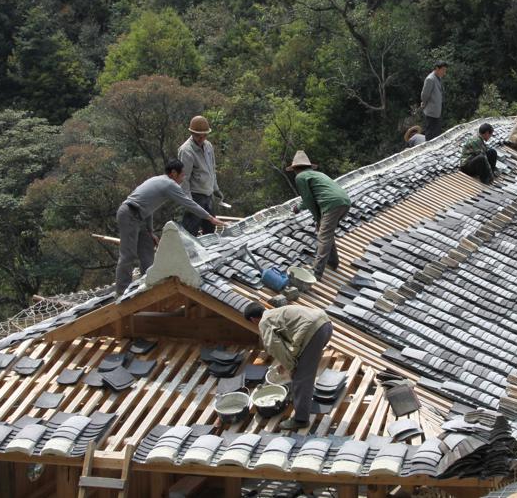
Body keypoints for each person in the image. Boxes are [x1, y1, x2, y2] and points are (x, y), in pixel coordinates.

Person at [115, 159, 225, 296]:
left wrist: (150, 232)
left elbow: (148, 208)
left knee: (147, 251)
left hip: (140, 216)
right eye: (182, 174)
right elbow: (188, 203)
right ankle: (121, 292)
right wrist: (210, 217)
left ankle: (148, 284)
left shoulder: (159, 180)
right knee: (128, 255)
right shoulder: (169, 184)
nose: (183, 178)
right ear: (173, 173)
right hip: (129, 214)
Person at [244, 302, 333, 431]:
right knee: (303, 366)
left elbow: (275, 346)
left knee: (301, 377)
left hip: (313, 331)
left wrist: (291, 368)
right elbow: (293, 344)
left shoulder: (264, 322)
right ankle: (302, 399)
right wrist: (285, 363)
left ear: (253, 319)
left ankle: (301, 419)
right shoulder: (276, 313)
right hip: (325, 324)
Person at [288, 151, 352, 279]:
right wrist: (299, 207)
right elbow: (311, 197)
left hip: (331, 205)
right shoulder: (317, 174)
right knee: (327, 233)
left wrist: (317, 219)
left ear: (295, 168)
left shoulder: (300, 177)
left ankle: (316, 272)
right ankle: (333, 261)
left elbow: (308, 200)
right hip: (344, 202)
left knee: (323, 236)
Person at [178, 115, 223, 236]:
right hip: (195, 196)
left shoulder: (208, 146)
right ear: (192, 133)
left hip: (208, 195)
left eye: (204, 135)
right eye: (198, 135)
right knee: (190, 232)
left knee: (210, 230)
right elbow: (184, 178)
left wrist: (216, 188)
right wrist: (188, 201)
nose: (201, 138)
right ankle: (188, 254)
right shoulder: (186, 151)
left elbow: (212, 169)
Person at [420, 61, 447, 141]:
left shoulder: (438, 78)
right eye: (443, 70)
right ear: (437, 69)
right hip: (431, 111)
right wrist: (424, 103)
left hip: (437, 111)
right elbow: (424, 95)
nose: (444, 73)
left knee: (436, 133)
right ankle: (428, 150)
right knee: (430, 133)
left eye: (445, 70)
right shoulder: (430, 79)